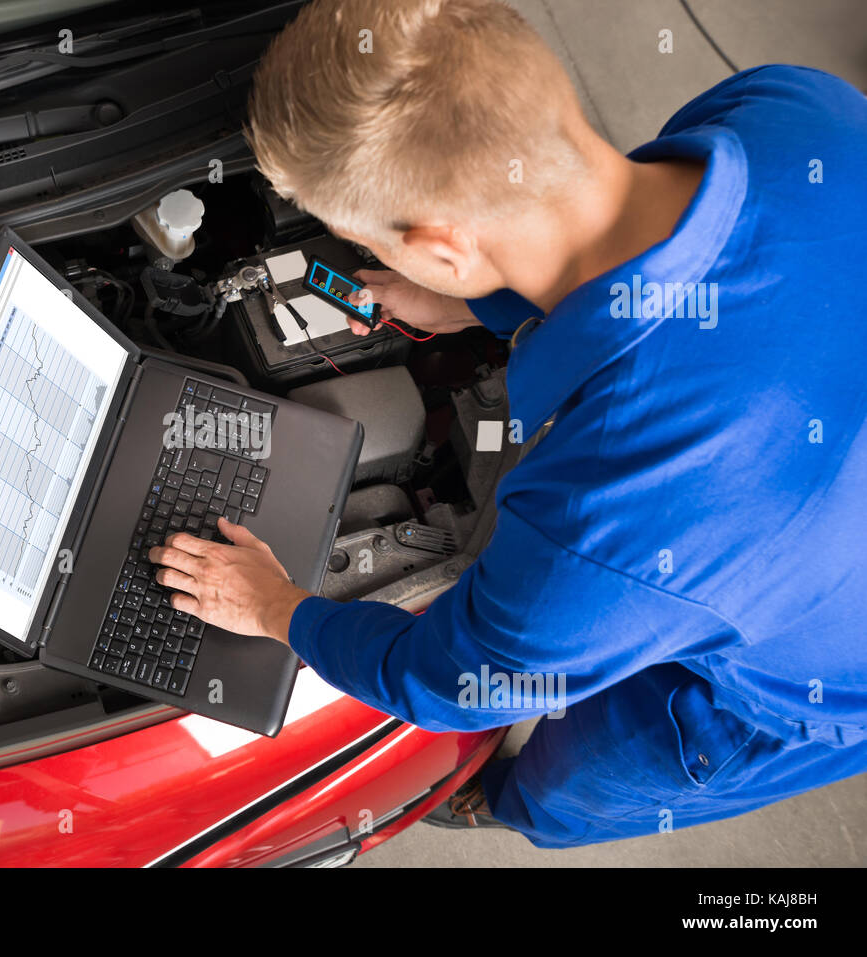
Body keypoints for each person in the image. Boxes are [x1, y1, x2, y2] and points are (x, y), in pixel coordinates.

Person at [146, 0, 867, 847]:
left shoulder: (607, 517)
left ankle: (500, 804)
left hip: (813, 678)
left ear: (443, 243)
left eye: (359, 235)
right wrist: (477, 298)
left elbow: (449, 679)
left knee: (587, 775)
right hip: (805, 518)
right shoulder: (800, 110)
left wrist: (278, 608)